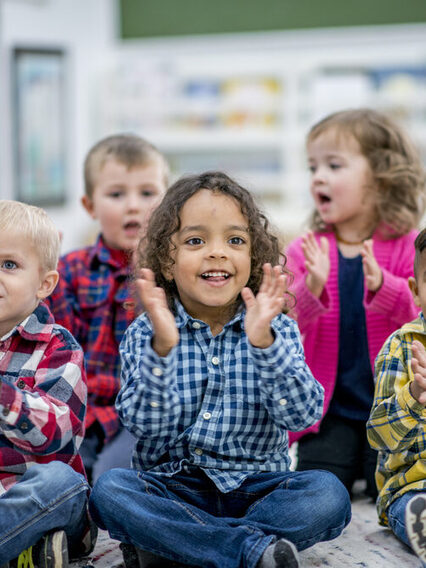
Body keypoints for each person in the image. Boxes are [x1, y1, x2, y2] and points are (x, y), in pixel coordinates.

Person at [89, 171, 351, 568]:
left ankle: (183, 545)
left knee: (328, 493)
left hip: (258, 491)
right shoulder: (149, 330)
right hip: (174, 487)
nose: (217, 252)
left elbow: (303, 414)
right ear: (167, 258)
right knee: (110, 491)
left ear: (253, 256)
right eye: (196, 240)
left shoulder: (277, 327)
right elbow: (144, 425)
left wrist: (265, 345)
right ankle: (246, 551)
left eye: (235, 240)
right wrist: (163, 350)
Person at [285, 108, 426, 500]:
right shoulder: (305, 248)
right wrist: (310, 289)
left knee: (394, 482)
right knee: (318, 485)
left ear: (381, 178)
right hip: (330, 414)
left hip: (393, 405)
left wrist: (385, 286)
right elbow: (284, 327)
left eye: (334, 164)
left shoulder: (407, 246)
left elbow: (420, 320)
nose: (318, 176)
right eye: (313, 166)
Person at [47, 134, 169, 484]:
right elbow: (54, 348)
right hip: (78, 412)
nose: (133, 206)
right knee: (60, 479)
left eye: (147, 193)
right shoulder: (68, 270)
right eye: (116, 194)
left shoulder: (175, 273)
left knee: (110, 481)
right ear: (90, 206)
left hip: (140, 417)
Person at [0, 200, 96, 567]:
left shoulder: (57, 346)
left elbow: (57, 433)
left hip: (35, 491)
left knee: (63, 482)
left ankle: (28, 541)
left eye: (9, 265)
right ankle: (29, 552)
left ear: (44, 283)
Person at [367, 228, 426, 566]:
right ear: (417, 292)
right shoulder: (401, 346)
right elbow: (379, 436)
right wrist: (414, 394)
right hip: (414, 486)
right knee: (413, 508)